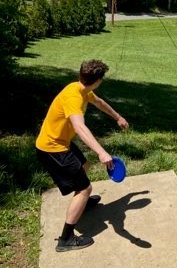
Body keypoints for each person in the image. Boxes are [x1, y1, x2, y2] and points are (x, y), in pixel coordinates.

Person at [36, 59, 129, 252]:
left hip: (61, 142)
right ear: (98, 80)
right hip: (53, 148)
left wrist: (118, 117)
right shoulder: (74, 97)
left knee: (84, 166)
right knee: (85, 188)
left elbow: (99, 103)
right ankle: (66, 239)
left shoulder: (80, 89)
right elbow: (79, 126)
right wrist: (102, 152)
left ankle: (82, 204)